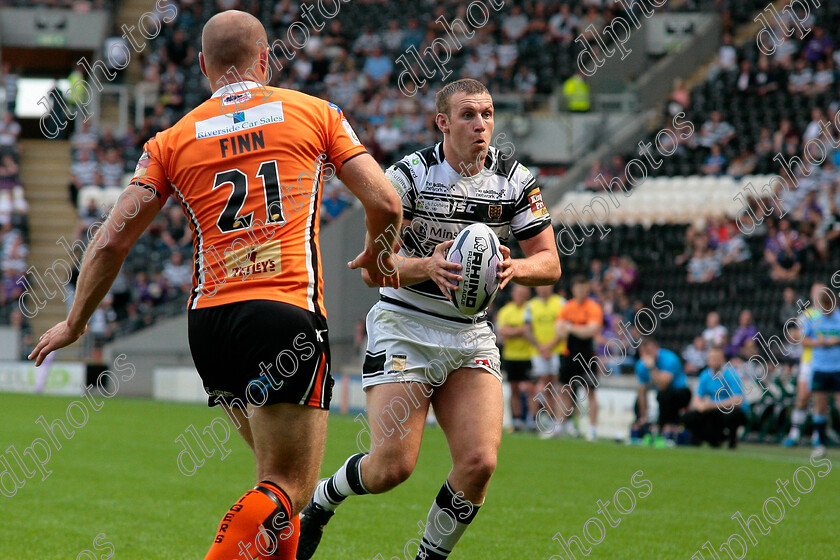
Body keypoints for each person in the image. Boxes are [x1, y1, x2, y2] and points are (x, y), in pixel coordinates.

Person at [28, 11, 402, 560]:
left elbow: (110, 242)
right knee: (291, 486)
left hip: (210, 324)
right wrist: (380, 253)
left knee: (272, 485)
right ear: (266, 59)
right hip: (284, 313)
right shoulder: (315, 113)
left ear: (203, 66)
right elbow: (386, 201)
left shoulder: (171, 139)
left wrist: (74, 322)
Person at [297, 78, 561, 560]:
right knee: (391, 469)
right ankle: (321, 499)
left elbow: (550, 262)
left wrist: (512, 267)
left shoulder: (517, 180)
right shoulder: (409, 177)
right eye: (467, 115)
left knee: (479, 463)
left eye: (486, 114)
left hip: (470, 335)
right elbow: (373, 267)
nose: (480, 124)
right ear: (442, 121)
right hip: (405, 326)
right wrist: (424, 266)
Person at [556, 275, 603, 441]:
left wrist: (569, 327)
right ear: (573, 289)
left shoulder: (594, 307)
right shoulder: (567, 307)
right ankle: (559, 426)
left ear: (587, 289)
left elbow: (591, 330)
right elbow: (559, 332)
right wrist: (576, 328)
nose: (581, 291)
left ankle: (592, 429)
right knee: (564, 390)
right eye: (578, 288)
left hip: (587, 356)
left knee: (590, 392)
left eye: (584, 288)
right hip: (569, 355)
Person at [801, 287, 840, 458]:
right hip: (820, 367)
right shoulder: (814, 319)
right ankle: (821, 445)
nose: (827, 310)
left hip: (838, 367)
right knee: (820, 406)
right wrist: (819, 343)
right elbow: (803, 339)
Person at [682, 346, 747, 448]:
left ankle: (731, 441)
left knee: (732, 415)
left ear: (722, 359)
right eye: (711, 358)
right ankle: (703, 439)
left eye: (716, 358)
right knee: (690, 417)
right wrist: (700, 406)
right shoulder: (705, 375)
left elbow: (737, 400)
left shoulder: (731, 374)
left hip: (727, 410)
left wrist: (713, 405)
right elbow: (697, 396)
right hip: (712, 409)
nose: (713, 361)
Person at [784, 283, 823, 446]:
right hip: (808, 362)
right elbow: (798, 337)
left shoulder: (833, 314)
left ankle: (818, 436)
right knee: (802, 398)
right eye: (815, 292)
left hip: (826, 364)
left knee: (820, 401)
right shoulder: (806, 315)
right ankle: (794, 433)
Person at [634, 338, 691, 443]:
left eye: (650, 351)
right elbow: (642, 391)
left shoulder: (669, 359)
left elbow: (663, 384)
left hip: (680, 392)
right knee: (638, 401)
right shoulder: (640, 365)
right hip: (662, 393)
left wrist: (652, 368)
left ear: (656, 348)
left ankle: (665, 428)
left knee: (663, 395)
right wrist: (643, 416)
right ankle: (643, 428)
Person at [497, 284, 536, 431]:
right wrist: (521, 330)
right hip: (511, 355)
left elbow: (530, 330)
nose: (521, 296)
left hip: (528, 355)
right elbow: (503, 332)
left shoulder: (530, 309)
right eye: (518, 293)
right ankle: (517, 419)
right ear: (513, 294)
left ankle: (532, 419)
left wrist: (512, 330)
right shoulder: (506, 311)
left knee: (530, 389)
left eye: (523, 293)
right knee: (513, 388)